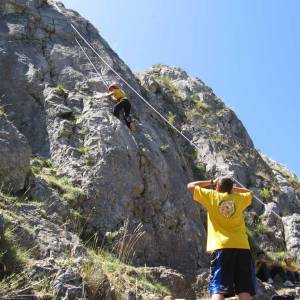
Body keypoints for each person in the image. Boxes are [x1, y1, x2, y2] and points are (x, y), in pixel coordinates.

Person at [187, 176, 256, 300]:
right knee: (244, 287)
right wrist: (232, 189)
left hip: (221, 247)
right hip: (242, 246)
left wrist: (211, 182)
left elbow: (190, 186)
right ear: (231, 188)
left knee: (218, 287)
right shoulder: (239, 198)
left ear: (217, 188)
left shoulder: (212, 196)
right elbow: (250, 193)